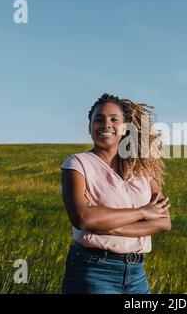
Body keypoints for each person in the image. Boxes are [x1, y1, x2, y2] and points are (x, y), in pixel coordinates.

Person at [60, 93, 171, 294]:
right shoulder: (77, 164)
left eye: (114, 119)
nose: (106, 124)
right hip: (93, 270)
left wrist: (109, 227)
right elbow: (84, 218)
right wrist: (143, 212)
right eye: (98, 120)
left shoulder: (143, 169)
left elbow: (164, 222)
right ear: (89, 127)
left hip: (137, 274)